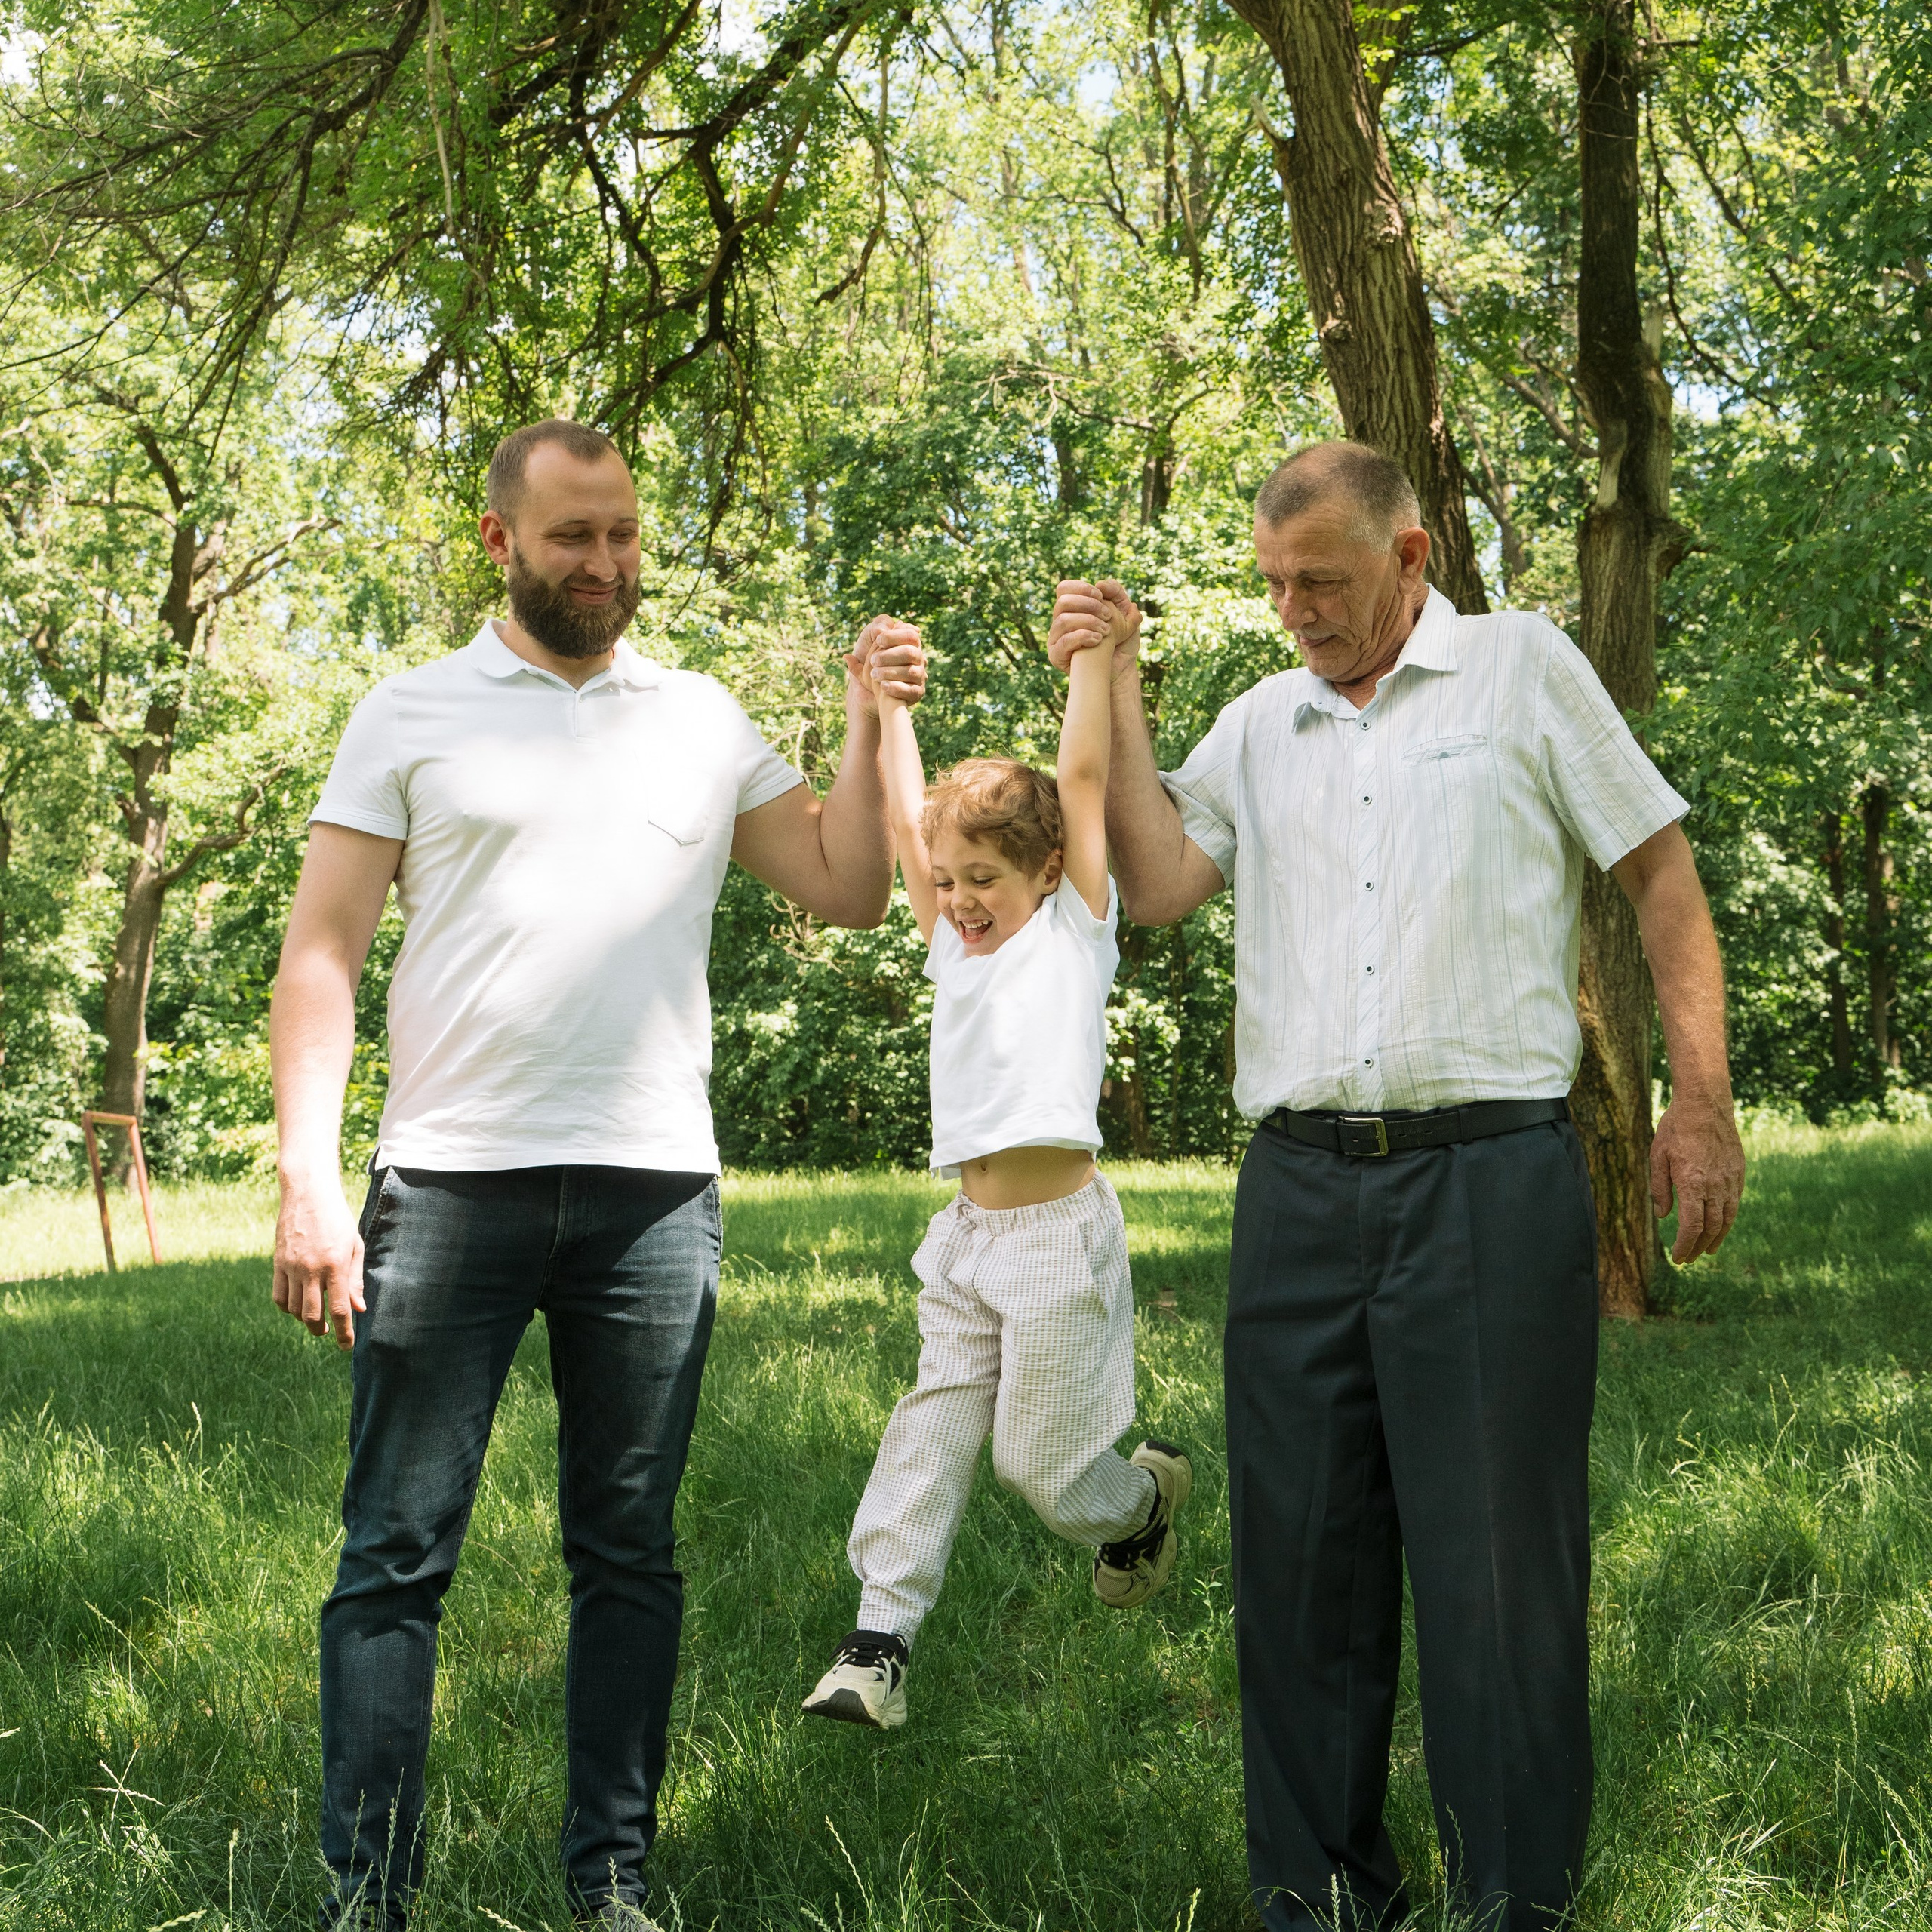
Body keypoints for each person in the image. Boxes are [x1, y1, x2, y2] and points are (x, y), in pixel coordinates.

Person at [1050, 441, 1745, 1932]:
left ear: (1410, 557)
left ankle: (1511, 1900)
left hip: (1487, 1182)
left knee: (1498, 1569)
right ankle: (1315, 1897)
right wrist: (1106, 676)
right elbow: (1160, 881)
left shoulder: (1518, 671)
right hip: (1298, 1193)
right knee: (1300, 1568)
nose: (1295, 607)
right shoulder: (1258, 719)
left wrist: (1699, 1098)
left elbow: (1658, 871)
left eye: (1325, 580)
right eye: (1276, 584)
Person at [268, 418, 926, 1930]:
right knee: (392, 1552)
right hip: (450, 1183)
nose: (608, 564)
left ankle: (613, 1885)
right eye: (574, 536)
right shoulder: (411, 710)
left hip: (652, 1195)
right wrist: (310, 1174)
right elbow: (323, 947)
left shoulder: (696, 717)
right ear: (498, 540)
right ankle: (364, 1894)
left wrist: (853, 713)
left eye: (623, 533)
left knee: (627, 1550)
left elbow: (842, 881)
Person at [799, 602, 1191, 1731]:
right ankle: (878, 1643)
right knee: (928, 1429)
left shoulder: (1075, 929)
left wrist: (1087, 657)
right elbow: (902, 809)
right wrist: (882, 706)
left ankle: (1136, 1506)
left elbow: (1079, 773)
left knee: (1046, 1471)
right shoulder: (951, 944)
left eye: (984, 879)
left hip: (1058, 1240)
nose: (962, 900)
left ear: (1048, 872)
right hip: (967, 1240)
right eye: (949, 878)